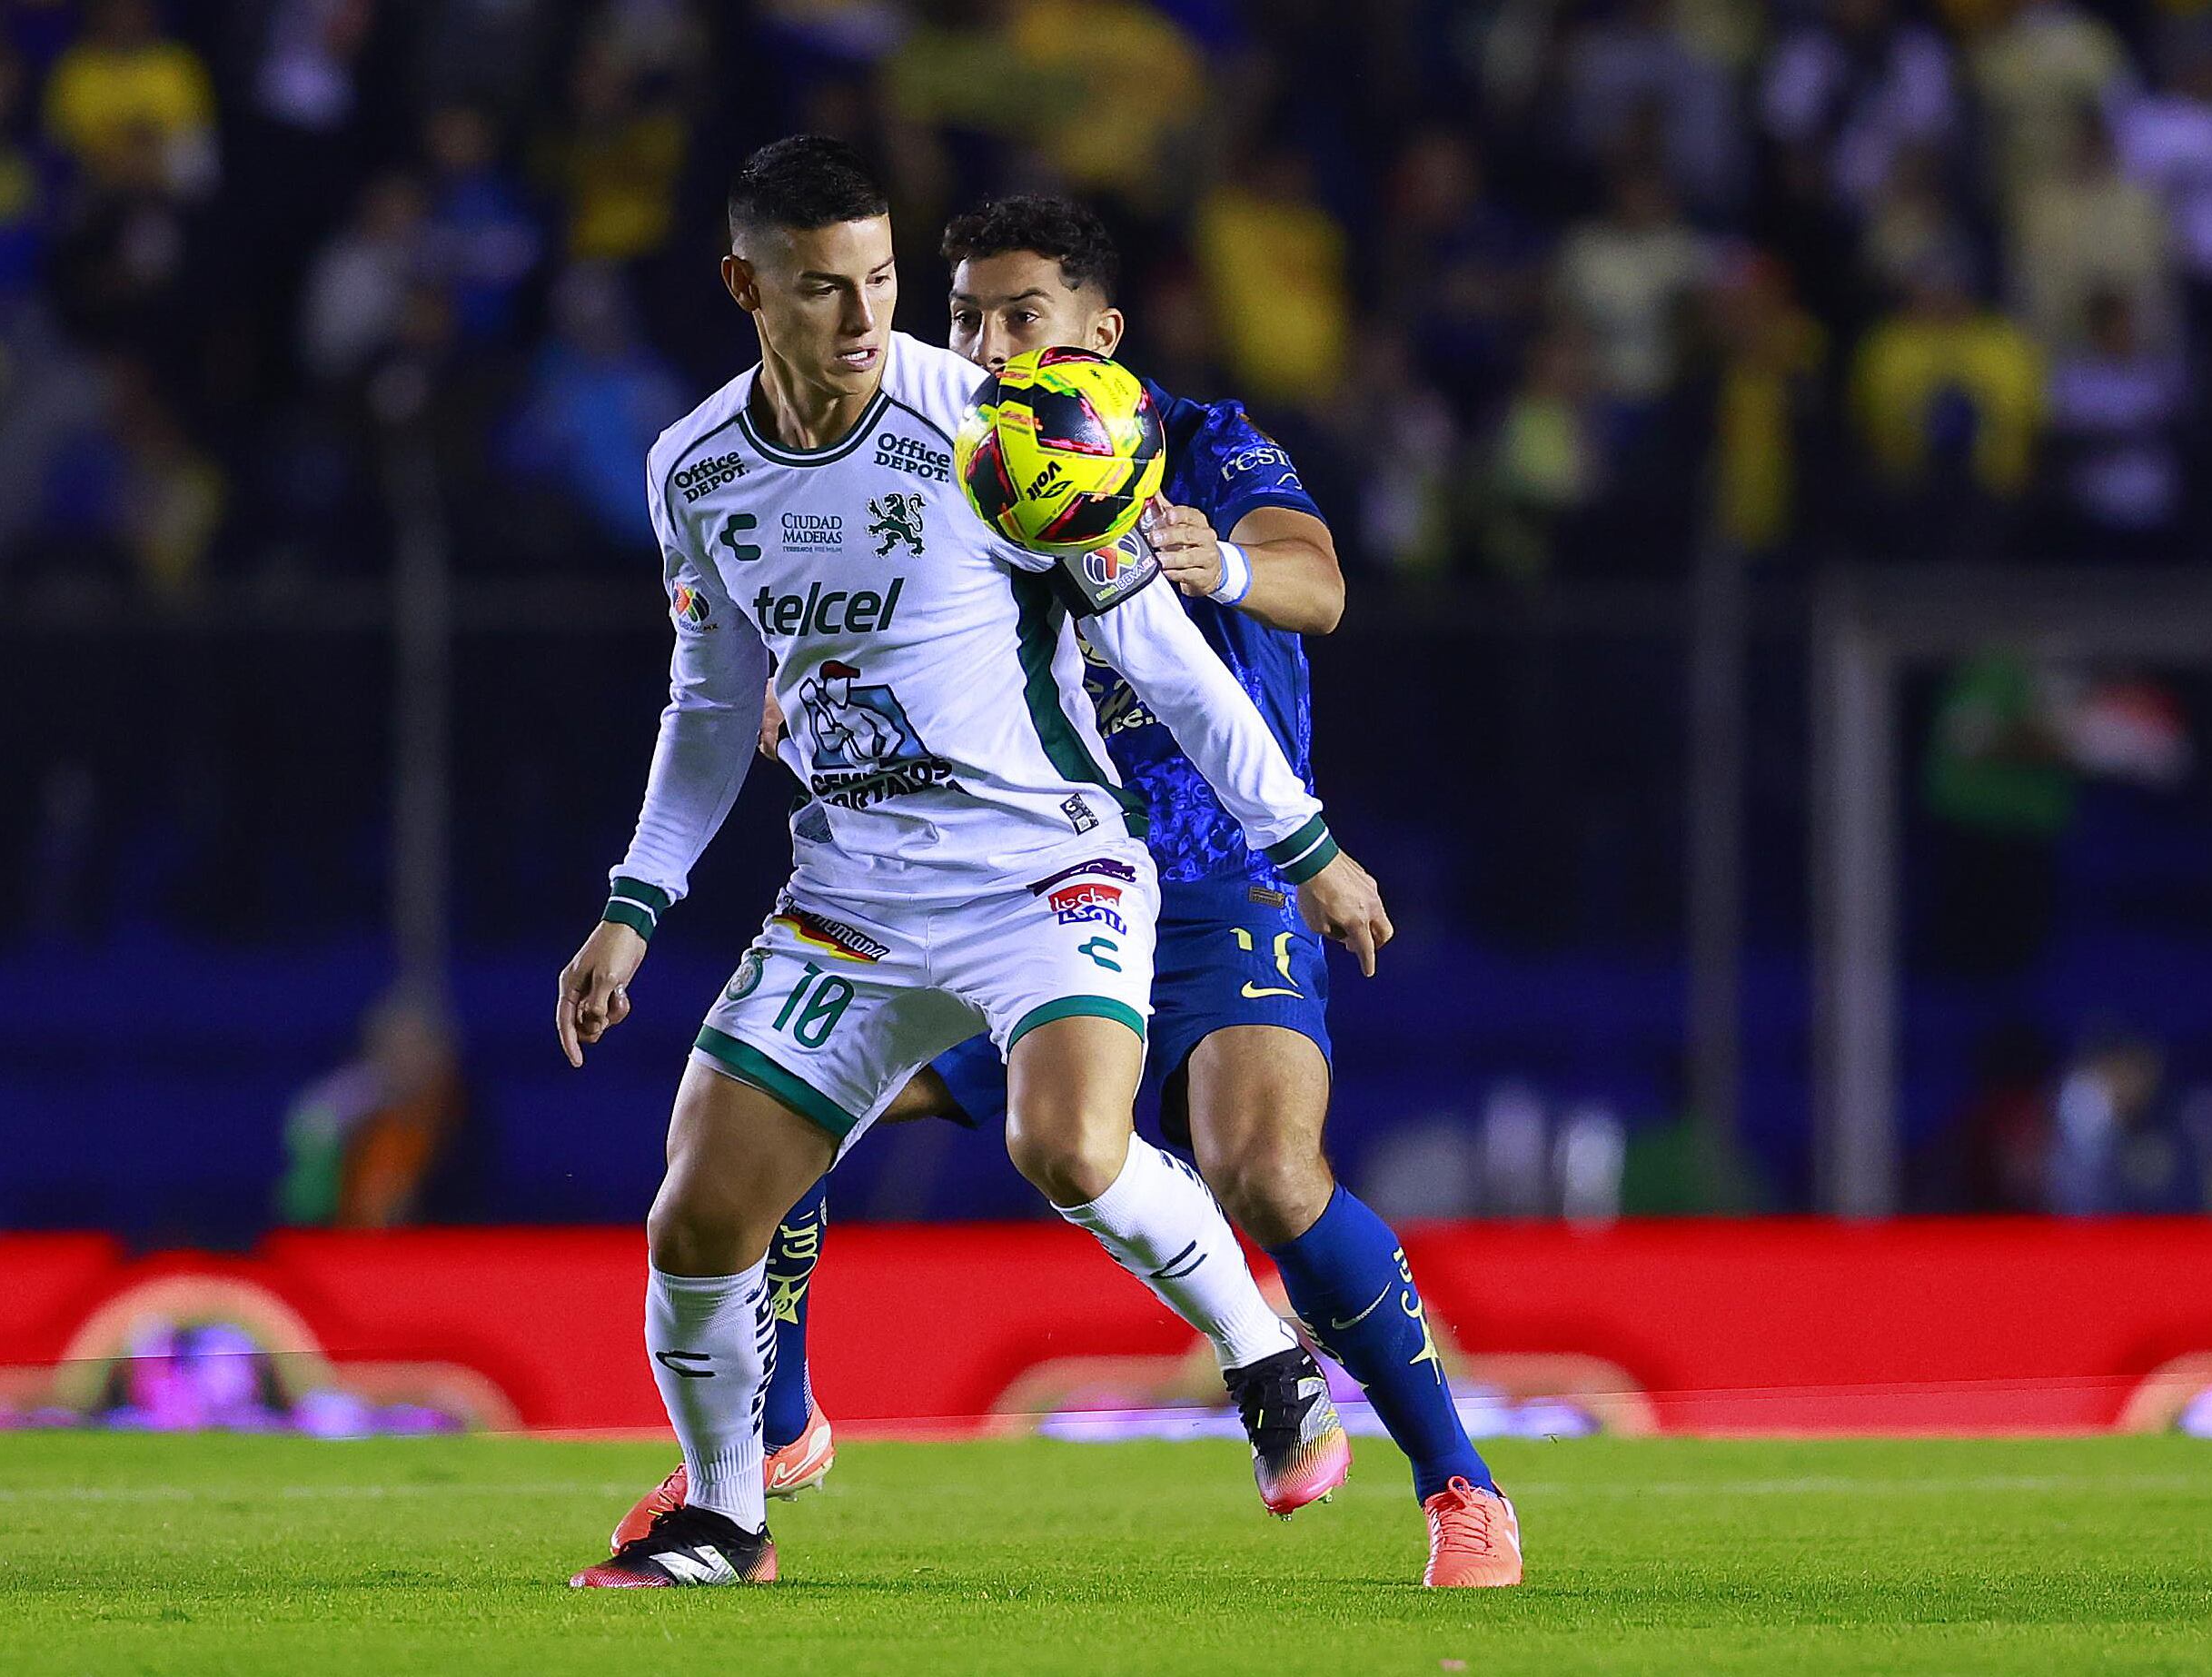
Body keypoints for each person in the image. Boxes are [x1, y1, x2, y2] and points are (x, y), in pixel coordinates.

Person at [610, 194, 1526, 1590]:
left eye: (1017, 316)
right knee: (781, 1125)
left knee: (1267, 1174)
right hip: (1008, 886)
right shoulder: (948, 451)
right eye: (964, 314)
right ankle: (765, 1438)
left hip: (1215, 871)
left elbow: (1320, 585)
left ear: (1099, 330)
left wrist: (1208, 559)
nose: (982, 344)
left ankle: (1456, 1480)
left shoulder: (1204, 443)